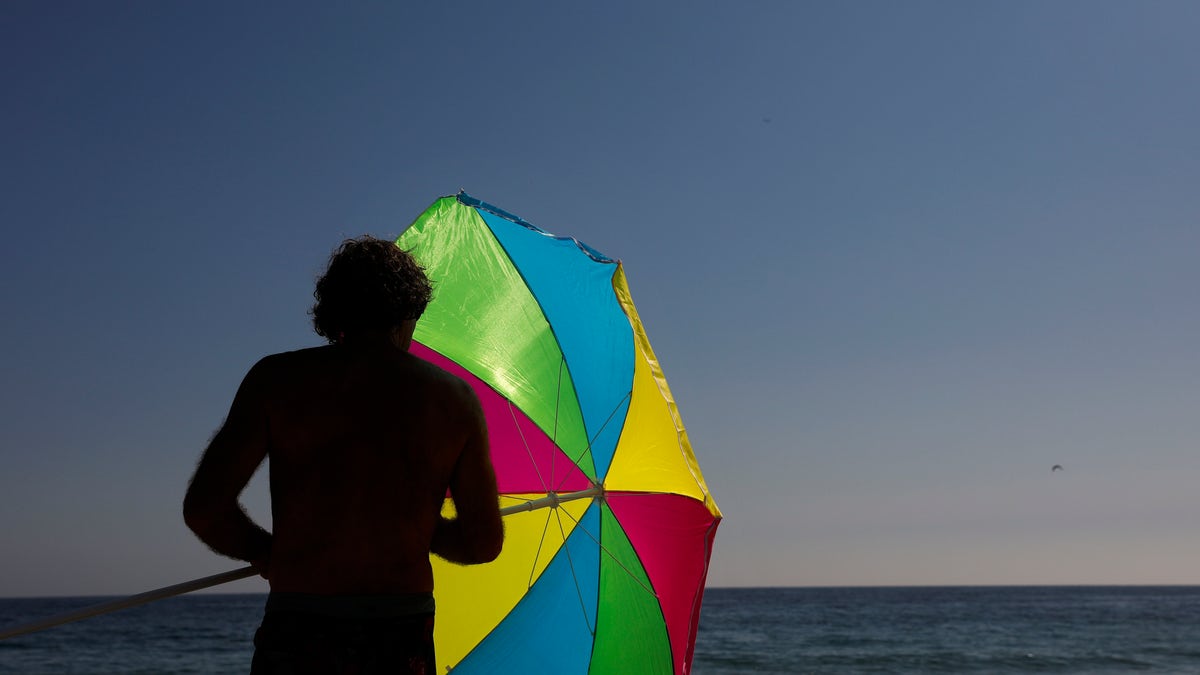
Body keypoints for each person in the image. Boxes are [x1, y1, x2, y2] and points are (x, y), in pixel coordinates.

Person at [183, 236, 504, 674]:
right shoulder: (454, 400)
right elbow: (482, 543)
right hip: (398, 631)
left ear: (333, 312)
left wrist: (266, 553)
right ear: (407, 315)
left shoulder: (276, 381)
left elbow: (205, 509)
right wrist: (416, 525)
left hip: (298, 625)